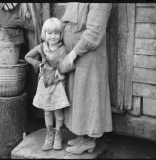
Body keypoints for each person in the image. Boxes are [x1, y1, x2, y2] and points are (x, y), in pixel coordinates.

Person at [60, 3, 113, 154]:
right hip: (77, 57)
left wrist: (74, 53)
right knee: (80, 99)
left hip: (89, 58)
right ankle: (82, 136)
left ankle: (90, 141)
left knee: (90, 98)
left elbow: (94, 32)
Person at [24, 17, 70, 151]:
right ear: (45, 34)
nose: (53, 36)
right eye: (49, 33)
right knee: (47, 110)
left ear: (61, 34)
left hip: (58, 83)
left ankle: (58, 134)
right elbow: (28, 56)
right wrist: (38, 64)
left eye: (56, 33)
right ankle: (49, 134)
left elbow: (69, 63)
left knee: (58, 110)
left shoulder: (63, 49)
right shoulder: (41, 47)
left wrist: (62, 70)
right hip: (44, 83)